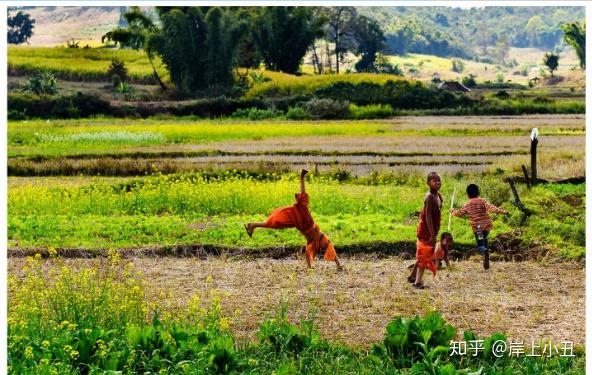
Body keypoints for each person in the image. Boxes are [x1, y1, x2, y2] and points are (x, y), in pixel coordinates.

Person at [244, 169, 342, 271]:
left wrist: (302, 178)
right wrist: (302, 177)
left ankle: (253, 225)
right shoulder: (299, 210)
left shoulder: (298, 211)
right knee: (324, 245)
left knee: (276, 224)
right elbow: (303, 193)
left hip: (312, 233)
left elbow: (303, 193)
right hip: (313, 233)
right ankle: (333, 265)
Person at [451, 183, 509, 270]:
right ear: (478, 192)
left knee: (480, 244)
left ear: (468, 194)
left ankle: (484, 251)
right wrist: (503, 211)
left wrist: (453, 211)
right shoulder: (482, 201)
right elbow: (492, 208)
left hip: (478, 229)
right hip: (486, 227)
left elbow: (460, 213)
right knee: (484, 240)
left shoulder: (467, 204)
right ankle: (486, 256)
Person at [409, 172, 442, 289]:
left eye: (439, 180)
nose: (438, 182)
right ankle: (417, 282)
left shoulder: (438, 196)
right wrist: (432, 235)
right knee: (425, 254)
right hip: (426, 230)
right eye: (434, 181)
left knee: (424, 253)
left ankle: (412, 275)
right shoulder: (429, 197)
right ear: (428, 183)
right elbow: (427, 216)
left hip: (432, 229)